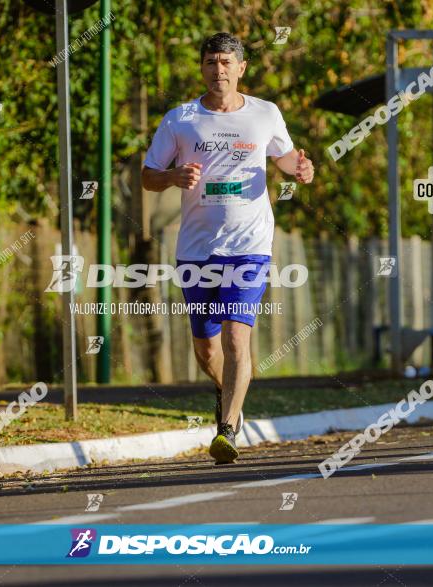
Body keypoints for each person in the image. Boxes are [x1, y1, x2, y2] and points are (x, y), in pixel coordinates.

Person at [141, 32, 314, 463]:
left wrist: (301, 169)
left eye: (225, 62)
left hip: (250, 243)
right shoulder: (180, 119)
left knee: (238, 335)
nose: (217, 70)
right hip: (196, 248)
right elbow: (147, 175)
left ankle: (227, 429)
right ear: (201, 68)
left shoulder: (265, 114)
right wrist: (173, 178)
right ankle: (227, 392)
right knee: (207, 348)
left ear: (241, 69)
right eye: (210, 62)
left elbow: (286, 158)